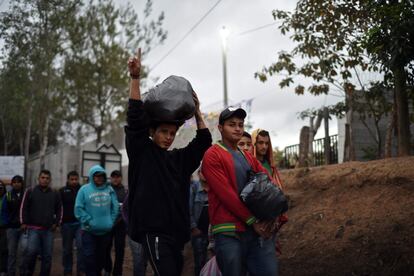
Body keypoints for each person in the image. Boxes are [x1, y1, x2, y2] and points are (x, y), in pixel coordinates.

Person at [125, 48, 212, 276]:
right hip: (153, 232)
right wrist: (135, 78)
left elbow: (204, 141)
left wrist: (198, 112)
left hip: (177, 235)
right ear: (152, 132)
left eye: (172, 133)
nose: (168, 137)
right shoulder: (142, 153)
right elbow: (134, 119)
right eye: (164, 131)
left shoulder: (179, 159)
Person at [202, 107, 279, 276]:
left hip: (255, 231)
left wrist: (274, 215)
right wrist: (253, 221)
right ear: (220, 128)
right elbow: (227, 195)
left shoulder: (247, 156)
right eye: (232, 124)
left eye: (240, 125)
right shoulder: (212, 155)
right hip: (228, 230)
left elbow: (267, 183)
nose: (237, 128)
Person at [74, 165, 119, 276]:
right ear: (92, 177)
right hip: (89, 231)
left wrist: (110, 221)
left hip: (105, 232)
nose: (99, 178)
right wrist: (88, 221)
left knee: (101, 258)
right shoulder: (84, 189)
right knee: (89, 258)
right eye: (96, 176)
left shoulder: (109, 189)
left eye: (101, 176)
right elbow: (78, 209)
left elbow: (116, 207)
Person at [20, 170, 62, 276]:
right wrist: (23, 222)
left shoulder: (55, 193)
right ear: (38, 179)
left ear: (50, 180)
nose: (45, 180)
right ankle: (28, 273)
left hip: (48, 230)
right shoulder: (30, 191)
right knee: (31, 253)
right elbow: (23, 208)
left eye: (47, 178)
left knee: (47, 256)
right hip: (33, 229)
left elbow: (59, 209)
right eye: (43, 177)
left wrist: (56, 223)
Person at [59, 171, 84, 276]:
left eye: (76, 179)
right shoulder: (62, 191)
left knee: (81, 246)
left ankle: (80, 270)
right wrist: (59, 221)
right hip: (66, 224)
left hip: (79, 223)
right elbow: (58, 207)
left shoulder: (83, 190)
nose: (74, 181)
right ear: (68, 179)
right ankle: (68, 270)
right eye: (72, 179)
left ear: (78, 179)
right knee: (67, 249)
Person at [104, 170, 127, 276]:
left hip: (121, 226)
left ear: (121, 178)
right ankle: (107, 268)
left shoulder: (125, 191)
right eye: (113, 177)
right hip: (108, 224)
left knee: (120, 250)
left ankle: (118, 272)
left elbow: (127, 207)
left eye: (117, 176)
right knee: (105, 249)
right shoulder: (106, 190)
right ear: (110, 178)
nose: (115, 179)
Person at [1, 175, 25, 276]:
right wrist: (7, 223)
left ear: (22, 183)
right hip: (11, 229)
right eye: (14, 182)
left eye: (18, 181)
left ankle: (23, 272)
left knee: (23, 252)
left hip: (23, 228)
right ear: (12, 183)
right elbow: (4, 211)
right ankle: (11, 273)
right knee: (11, 253)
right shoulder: (8, 195)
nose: (16, 183)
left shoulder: (26, 194)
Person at [121, 192, 148, 276]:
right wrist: (129, 225)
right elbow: (124, 209)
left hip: (149, 232)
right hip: (134, 232)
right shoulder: (133, 192)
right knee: (138, 259)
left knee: (145, 260)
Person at [189, 170, 210, 276]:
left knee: (214, 262)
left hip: (213, 232)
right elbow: (188, 210)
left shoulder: (215, 187)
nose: (205, 174)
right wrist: (193, 227)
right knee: (199, 262)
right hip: (198, 232)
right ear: (199, 174)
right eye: (203, 172)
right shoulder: (194, 188)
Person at [0, 181, 8, 276]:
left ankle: (3, 269)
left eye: (1, 187)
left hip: (4, 227)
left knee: (4, 249)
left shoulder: (8, 196)